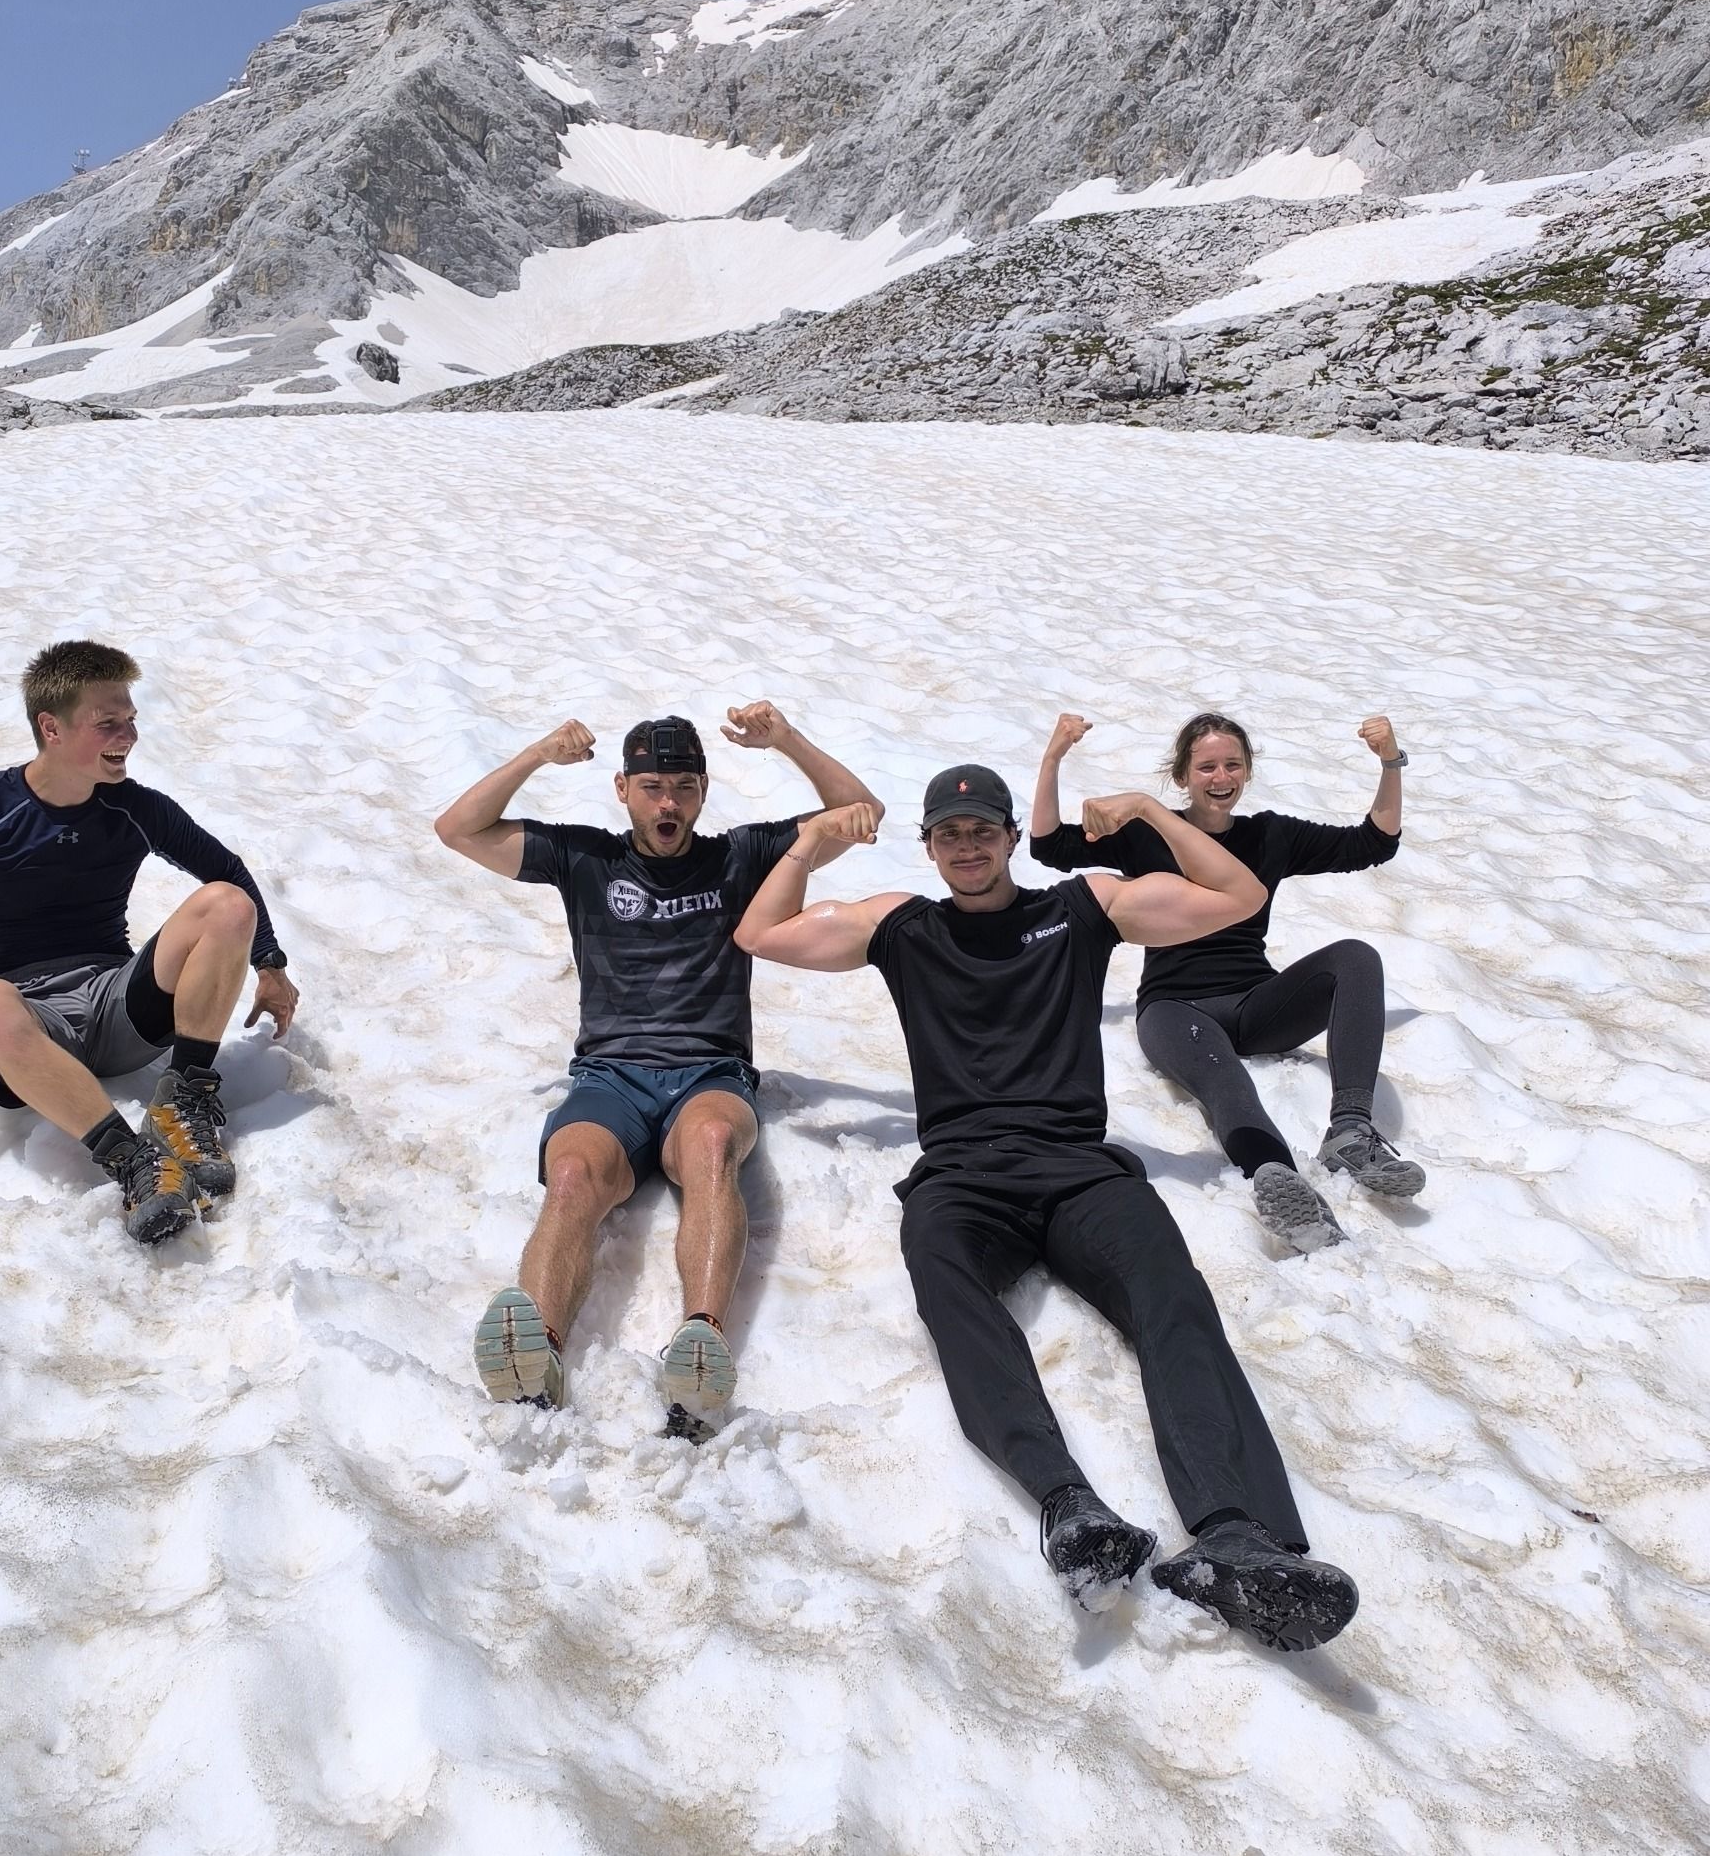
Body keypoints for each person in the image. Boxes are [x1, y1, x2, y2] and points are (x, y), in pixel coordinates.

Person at [735, 765, 1359, 1652]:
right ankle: (1068, 1507)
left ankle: (1233, 1535)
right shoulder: (900, 926)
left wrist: (1147, 810)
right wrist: (808, 845)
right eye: (949, 834)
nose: (967, 846)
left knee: (1173, 1299)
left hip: (1081, 1171)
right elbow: (761, 932)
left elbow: (1237, 893)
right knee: (948, 1284)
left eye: (983, 829)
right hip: (962, 1175)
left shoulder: (1081, 910)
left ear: (1010, 837)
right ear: (930, 846)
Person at [435, 703, 882, 1426]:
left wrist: (789, 740)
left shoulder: (740, 856)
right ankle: (534, 1362)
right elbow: (457, 829)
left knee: (710, 1150)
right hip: (610, 1078)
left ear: (704, 791)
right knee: (574, 1175)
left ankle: (699, 1351)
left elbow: (861, 810)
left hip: (710, 1076)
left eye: (682, 786)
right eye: (651, 787)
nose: (667, 802)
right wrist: (538, 755)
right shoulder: (585, 858)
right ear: (622, 789)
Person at [0, 640, 298, 1244]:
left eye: (131, 719)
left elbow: (230, 873)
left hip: (120, 1007)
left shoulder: (134, 807)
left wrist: (269, 963)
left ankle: (185, 1099)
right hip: (28, 1026)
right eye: (108, 723)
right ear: (50, 727)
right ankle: (132, 1162)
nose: (128, 736)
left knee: (226, 904)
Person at [1030, 710, 1421, 1255]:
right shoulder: (1145, 833)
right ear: (1183, 775)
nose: (1221, 778)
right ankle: (1278, 1180)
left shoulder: (1271, 836)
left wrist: (1389, 763)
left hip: (1257, 1002)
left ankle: (1352, 1132)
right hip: (1175, 1009)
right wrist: (1052, 760)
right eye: (1207, 766)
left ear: (1247, 771)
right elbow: (1048, 846)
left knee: (1356, 956)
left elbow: (1372, 844)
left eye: (1232, 765)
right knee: (1225, 1084)